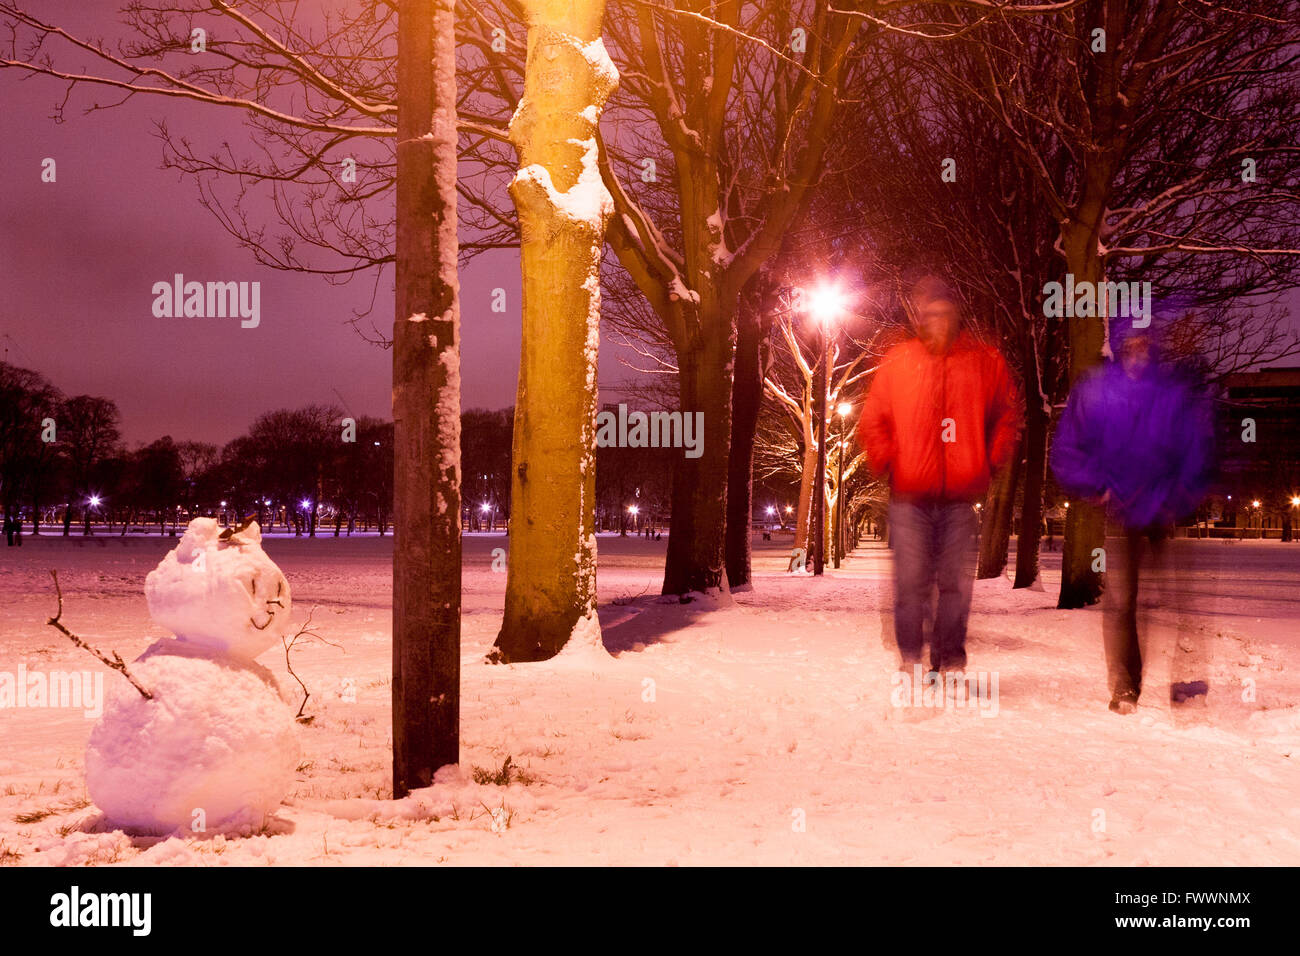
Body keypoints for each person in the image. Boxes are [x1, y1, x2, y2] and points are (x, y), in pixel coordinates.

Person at [1051, 311, 1214, 714]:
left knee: (1181, 599)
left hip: (1164, 506)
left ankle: (1188, 685)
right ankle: (1125, 687)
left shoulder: (1171, 392)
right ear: (1121, 348)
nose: (1139, 353)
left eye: (1145, 345)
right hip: (1122, 507)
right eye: (1132, 345)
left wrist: (1184, 490)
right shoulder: (1096, 390)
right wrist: (1095, 485)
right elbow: (1069, 446)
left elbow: (1197, 445)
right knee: (1122, 602)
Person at [859, 276, 1023, 677]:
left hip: (960, 495)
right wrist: (888, 458)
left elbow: (1009, 412)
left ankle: (949, 654)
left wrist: (993, 455)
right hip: (910, 494)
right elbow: (873, 417)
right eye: (930, 314)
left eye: (945, 313)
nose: (939, 322)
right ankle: (911, 654)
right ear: (920, 317)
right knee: (911, 580)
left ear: (956, 315)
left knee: (955, 582)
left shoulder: (984, 360)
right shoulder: (900, 360)